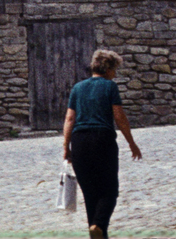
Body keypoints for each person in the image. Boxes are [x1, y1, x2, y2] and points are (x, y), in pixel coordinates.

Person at [62, 48, 143, 239]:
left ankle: (97, 232)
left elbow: (69, 119)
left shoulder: (77, 88)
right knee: (109, 191)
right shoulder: (109, 87)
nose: (115, 74)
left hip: (79, 141)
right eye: (115, 70)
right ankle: (98, 225)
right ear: (108, 69)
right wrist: (131, 142)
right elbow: (119, 116)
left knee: (90, 194)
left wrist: (66, 147)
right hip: (102, 139)